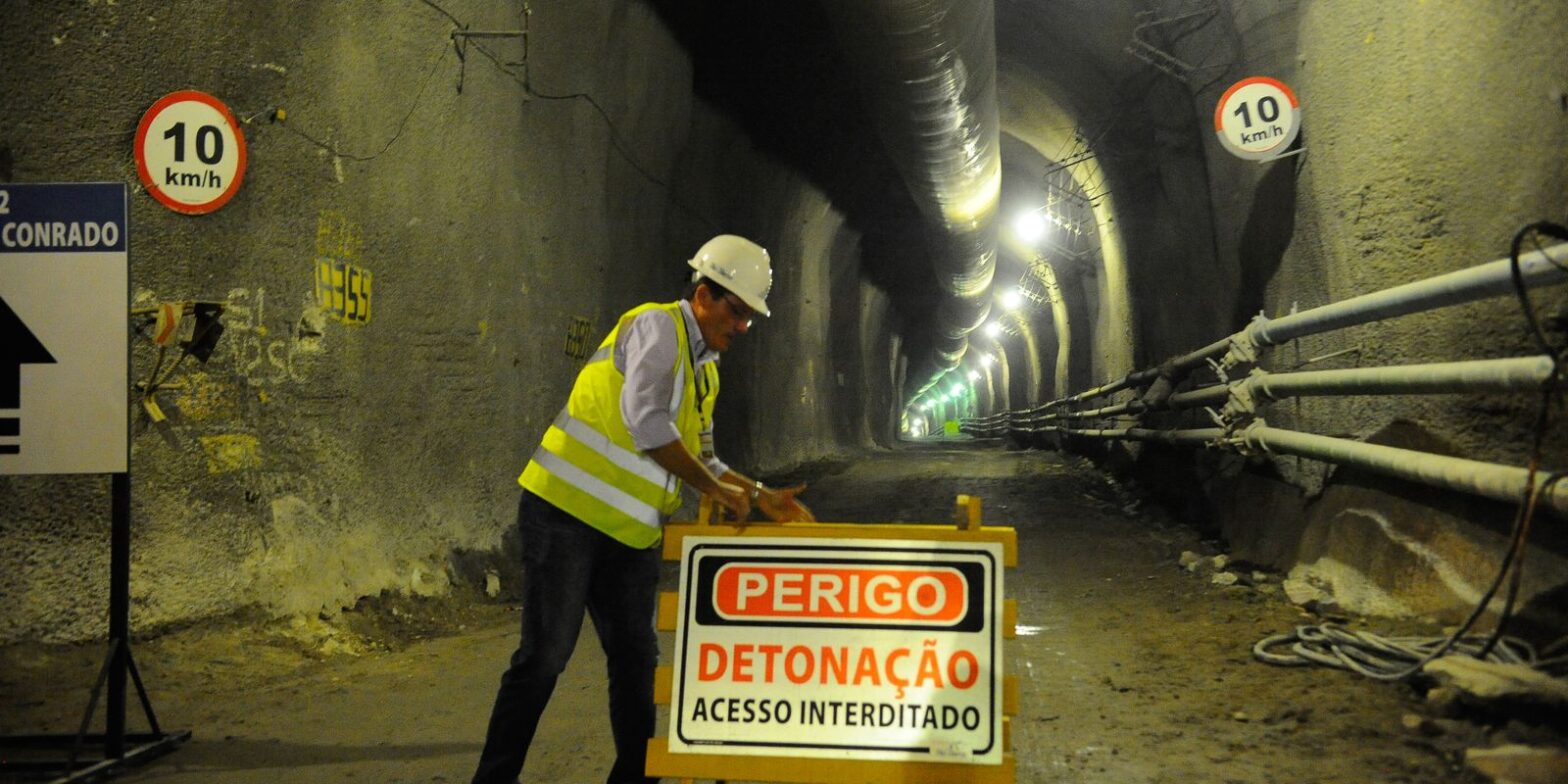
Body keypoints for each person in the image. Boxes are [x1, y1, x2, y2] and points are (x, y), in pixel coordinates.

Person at [472, 234, 814, 784]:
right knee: (545, 658)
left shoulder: (707, 371)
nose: (744, 327)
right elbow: (647, 423)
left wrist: (755, 493)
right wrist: (715, 489)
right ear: (704, 294)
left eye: (751, 317)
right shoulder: (657, 327)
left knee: (635, 663)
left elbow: (705, 458)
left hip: (629, 535)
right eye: (738, 311)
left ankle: (636, 778)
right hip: (565, 513)